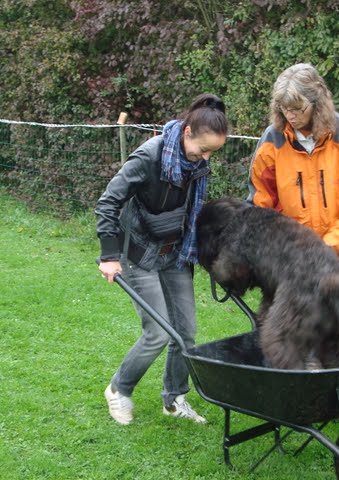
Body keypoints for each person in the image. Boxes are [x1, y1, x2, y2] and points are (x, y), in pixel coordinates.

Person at [95, 94, 228, 425]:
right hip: (138, 255)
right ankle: (118, 390)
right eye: (203, 149)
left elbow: (190, 213)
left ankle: (174, 399)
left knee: (186, 332)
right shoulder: (149, 157)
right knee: (157, 332)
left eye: (212, 152)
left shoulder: (196, 165)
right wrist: (109, 255)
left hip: (175, 254)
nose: (206, 158)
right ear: (187, 132)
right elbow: (108, 202)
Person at [248, 63, 339, 277]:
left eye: (297, 108)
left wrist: (331, 245)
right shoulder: (272, 139)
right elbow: (261, 203)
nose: (290, 115)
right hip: (291, 260)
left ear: (316, 102)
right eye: (284, 108)